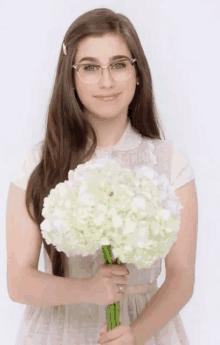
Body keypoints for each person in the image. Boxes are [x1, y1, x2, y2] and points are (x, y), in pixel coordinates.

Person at [6, 7, 197, 345]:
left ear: (138, 74)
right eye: (91, 67)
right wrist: (88, 289)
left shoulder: (169, 164)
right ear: (71, 77)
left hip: (145, 328)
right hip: (60, 330)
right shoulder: (39, 164)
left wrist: (135, 334)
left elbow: (181, 277)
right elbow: (19, 283)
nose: (106, 81)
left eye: (119, 65)